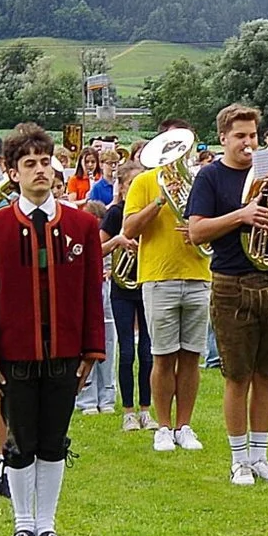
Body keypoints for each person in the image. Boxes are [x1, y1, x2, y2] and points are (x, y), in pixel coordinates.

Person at [0, 123, 105, 536]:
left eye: (45, 162)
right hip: (15, 354)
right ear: (13, 173)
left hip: (65, 353)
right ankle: (22, 524)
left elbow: (90, 293)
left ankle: (47, 525)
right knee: (20, 440)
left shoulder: (82, 225)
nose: (39, 171)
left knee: (54, 440)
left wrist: (92, 350)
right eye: (29, 164)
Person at [186, 104, 268, 486]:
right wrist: (241, 216)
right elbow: (196, 232)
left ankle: (260, 456)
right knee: (237, 376)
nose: (249, 142)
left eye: (254, 135)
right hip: (232, 283)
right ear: (223, 137)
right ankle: (239, 459)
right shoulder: (210, 177)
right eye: (240, 136)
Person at [122, 127, 211, 455]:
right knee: (162, 356)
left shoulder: (201, 180)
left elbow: (212, 225)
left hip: (198, 274)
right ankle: (162, 426)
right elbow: (129, 229)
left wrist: (198, 231)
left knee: (190, 356)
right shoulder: (144, 183)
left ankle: (183, 425)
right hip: (159, 277)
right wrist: (160, 200)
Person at [99, 156, 156, 428]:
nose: (136, 188)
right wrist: (118, 240)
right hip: (123, 287)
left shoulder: (151, 213)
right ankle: (128, 411)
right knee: (126, 351)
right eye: (131, 184)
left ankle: (147, 409)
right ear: (121, 187)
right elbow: (95, 250)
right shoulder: (115, 213)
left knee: (147, 351)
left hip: (148, 283)